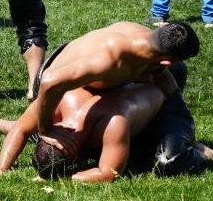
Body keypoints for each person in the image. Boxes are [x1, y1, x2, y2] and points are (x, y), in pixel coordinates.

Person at [0, 62, 213, 181]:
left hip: (164, 94)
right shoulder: (60, 110)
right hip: (128, 86)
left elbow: (109, 173)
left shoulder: (112, 124)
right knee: (32, 127)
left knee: (154, 162)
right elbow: (23, 128)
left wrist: (66, 177)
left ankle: (198, 150)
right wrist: (1, 168)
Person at [33, 21, 201, 141]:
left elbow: (166, 83)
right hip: (49, 88)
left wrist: (183, 126)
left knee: (176, 71)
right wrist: (45, 128)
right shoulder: (108, 61)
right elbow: (49, 82)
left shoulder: (144, 37)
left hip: (81, 78)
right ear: (165, 61)